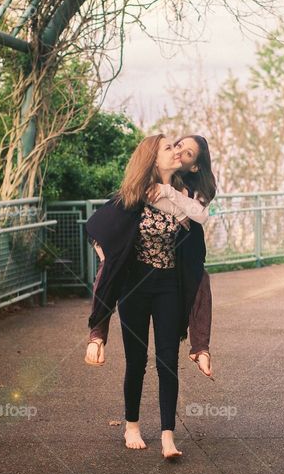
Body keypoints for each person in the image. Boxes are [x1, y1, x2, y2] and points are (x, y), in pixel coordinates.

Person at [85, 134, 193, 457]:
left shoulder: (182, 194)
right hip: (134, 286)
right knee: (137, 361)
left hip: (168, 285)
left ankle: (167, 435)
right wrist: (105, 253)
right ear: (152, 159)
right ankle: (131, 424)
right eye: (168, 148)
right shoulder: (134, 195)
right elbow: (95, 227)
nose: (175, 151)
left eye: (176, 147)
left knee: (168, 361)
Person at [85, 135, 217, 378]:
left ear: (196, 165)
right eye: (176, 145)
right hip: (143, 267)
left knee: (200, 277)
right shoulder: (150, 183)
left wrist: (170, 194)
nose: (178, 151)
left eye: (187, 153)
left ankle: (201, 349)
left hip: (182, 252)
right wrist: (100, 243)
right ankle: (97, 335)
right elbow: (114, 211)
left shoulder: (196, 188)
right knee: (111, 265)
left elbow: (199, 214)